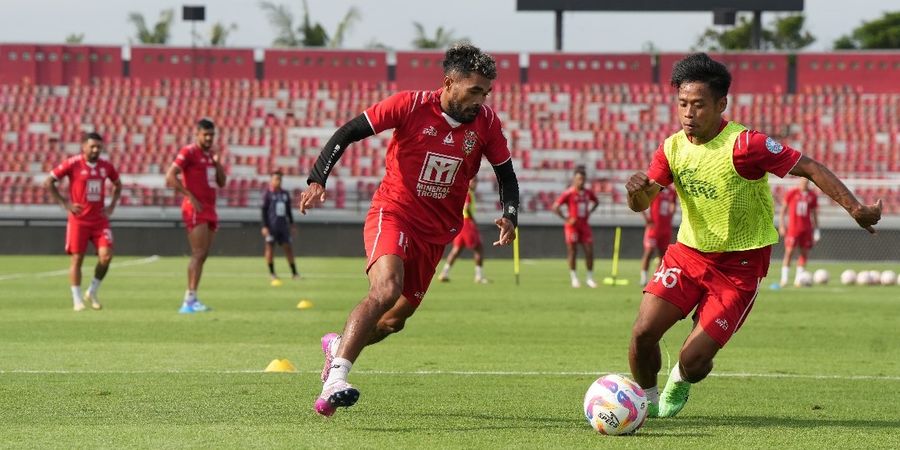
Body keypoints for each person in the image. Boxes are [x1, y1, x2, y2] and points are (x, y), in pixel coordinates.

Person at [625, 53, 881, 419]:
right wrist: (635, 191)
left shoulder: (747, 145)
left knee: (693, 360)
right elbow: (642, 202)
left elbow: (809, 166)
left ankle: (681, 378)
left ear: (720, 104)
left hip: (739, 266)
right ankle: (644, 404)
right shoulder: (672, 148)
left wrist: (854, 207)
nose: (688, 113)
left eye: (698, 105)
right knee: (641, 334)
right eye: (682, 104)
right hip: (688, 255)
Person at [298, 43, 519, 417]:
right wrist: (318, 178)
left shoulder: (488, 123)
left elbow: (506, 174)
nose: (480, 100)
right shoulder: (409, 104)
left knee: (394, 320)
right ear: (449, 83)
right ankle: (337, 377)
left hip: (437, 231)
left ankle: (338, 346)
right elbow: (349, 131)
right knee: (385, 289)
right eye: (474, 91)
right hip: (394, 212)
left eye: (486, 92)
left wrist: (510, 214)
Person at [45, 132, 122, 311]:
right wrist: (65, 203)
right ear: (84, 147)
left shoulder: (106, 167)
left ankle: (92, 291)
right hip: (79, 220)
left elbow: (118, 185)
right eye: (92, 146)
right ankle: (77, 299)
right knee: (77, 259)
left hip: (99, 221)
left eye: (99, 147)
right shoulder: (73, 163)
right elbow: (49, 182)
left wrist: (111, 207)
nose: (96, 150)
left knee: (106, 256)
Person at [165, 119, 226, 314]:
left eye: (211, 135)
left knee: (203, 255)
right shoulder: (189, 152)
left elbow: (222, 182)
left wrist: (217, 164)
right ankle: (188, 300)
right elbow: (170, 176)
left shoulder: (210, 156)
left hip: (210, 208)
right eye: (205, 134)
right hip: (195, 208)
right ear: (197, 134)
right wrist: (189, 195)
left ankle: (193, 298)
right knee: (198, 253)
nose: (208, 138)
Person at [552, 167, 599, 288]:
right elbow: (555, 207)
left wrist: (589, 211)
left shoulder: (588, 193)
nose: (581, 181)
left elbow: (596, 202)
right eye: (579, 179)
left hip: (584, 225)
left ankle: (589, 278)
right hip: (572, 226)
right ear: (574, 179)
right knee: (573, 251)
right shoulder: (569, 193)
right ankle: (574, 278)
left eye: (583, 179)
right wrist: (567, 219)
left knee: (589, 251)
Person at [438, 177, 489, 284]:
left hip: (461, 223)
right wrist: (473, 221)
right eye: (474, 181)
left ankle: (444, 273)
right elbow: (466, 208)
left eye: (476, 181)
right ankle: (479, 276)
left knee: (456, 250)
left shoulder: (466, 192)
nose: (476, 183)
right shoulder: (468, 193)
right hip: (467, 222)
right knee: (478, 248)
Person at [778, 178, 819, 287]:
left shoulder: (812, 195)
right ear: (799, 182)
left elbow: (814, 214)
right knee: (789, 252)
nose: (804, 184)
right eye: (802, 181)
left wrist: (817, 230)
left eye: (806, 182)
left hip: (807, 229)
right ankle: (784, 279)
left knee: (804, 253)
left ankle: (798, 279)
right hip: (793, 229)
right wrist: (782, 225)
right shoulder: (791, 193)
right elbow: (783, 210)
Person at [261, 170, 299, 285]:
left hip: (283, 226)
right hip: (271, 227)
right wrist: (264, 226)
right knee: (270, 249)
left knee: (288, 248)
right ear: (271, 180)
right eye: (276, 179)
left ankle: (294, 273)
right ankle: (272, 273)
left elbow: (288, 211)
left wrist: (292, 224)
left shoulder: (285, 194)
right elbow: (263, 211)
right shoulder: (267, 194)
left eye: (280, 179)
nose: (279, 181)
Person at [640, 187, 677, 285]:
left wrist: (671, 213)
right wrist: (646, 218)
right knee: (649, 251)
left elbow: (673, 203)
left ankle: (657, 278)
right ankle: (643, 278)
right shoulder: (654, 189)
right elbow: (640, 201)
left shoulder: (671, 191)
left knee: (663, 254)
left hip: (666, 227)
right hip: (654, 227)